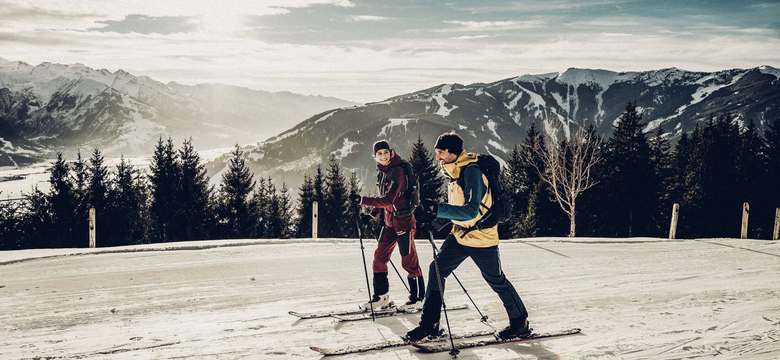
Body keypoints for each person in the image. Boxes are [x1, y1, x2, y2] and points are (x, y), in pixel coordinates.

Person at [405, 131, 530, 341]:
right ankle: (430, 325)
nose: (438, 158)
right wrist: (434, 220)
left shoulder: (471, 171)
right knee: (436, 270)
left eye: (441, 153)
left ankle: (520, 322)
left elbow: (471, 211)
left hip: (481, 238)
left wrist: (437, 208)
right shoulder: (454, 172)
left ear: (452, 152)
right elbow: (456, 208)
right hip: (459, 235)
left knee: (496, 280)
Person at [349, 140, 425, 310]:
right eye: (379, 154)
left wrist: (362, 200)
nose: (382, 156)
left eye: (385, 152)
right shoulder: (383, 173)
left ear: (391, 152)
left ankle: (418, 299)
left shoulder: (397, 171)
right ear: (374, 156)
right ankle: (381, 297)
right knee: (379, 259)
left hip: (404, 221)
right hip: (389, 221)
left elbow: (389, 199)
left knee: (409, 262)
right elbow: (385, 200)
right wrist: (373, 214)